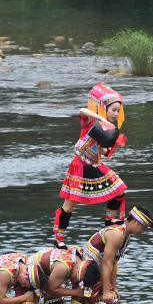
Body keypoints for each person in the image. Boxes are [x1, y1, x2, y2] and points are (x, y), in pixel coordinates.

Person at [52, 83, 129, 248]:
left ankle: (110, 220)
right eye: (113, 110)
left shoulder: (111, 130)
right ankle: (59, 240)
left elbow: (103, 153)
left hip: (94, 165)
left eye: (118, 111)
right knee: (69, 205)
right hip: (79, 165)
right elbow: (82, 110)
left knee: (119, 188)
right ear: (104, 109)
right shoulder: (92, 121)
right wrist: (100, 119)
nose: (116, 114)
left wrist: (113, 145)